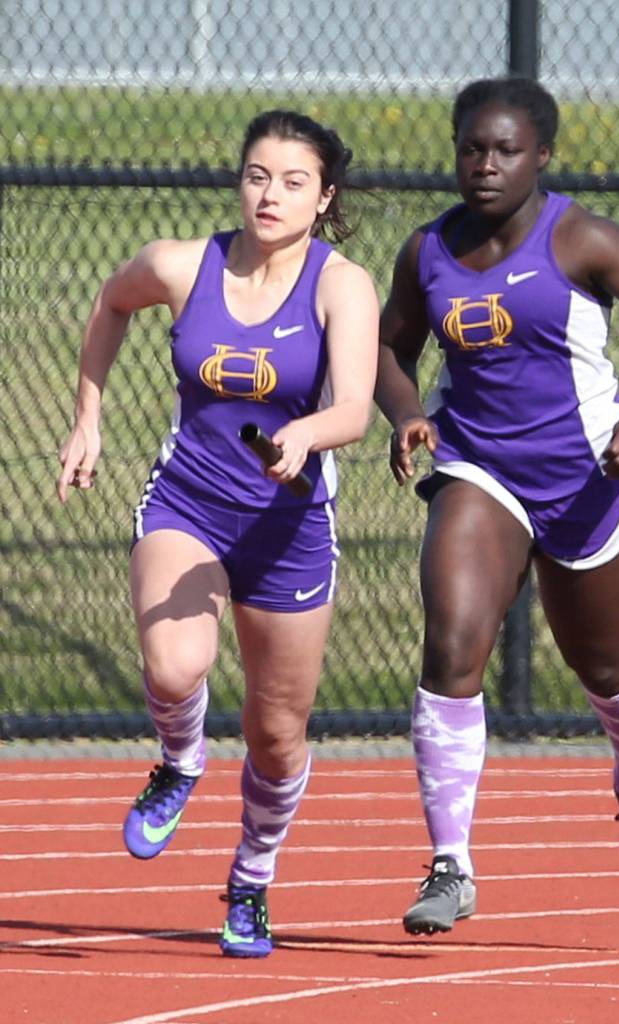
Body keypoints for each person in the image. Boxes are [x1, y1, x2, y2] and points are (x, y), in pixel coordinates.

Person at [375, 76, 619, 936]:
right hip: (477, 467)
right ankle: (450, 864)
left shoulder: (582, 238)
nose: (484, 166)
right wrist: (409, 413)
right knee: (451, 640)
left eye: (504, 151)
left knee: (597, 660)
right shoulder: (426, 251)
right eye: (470, 149)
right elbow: (389, 347)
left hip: (587, 475)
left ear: (541, 158)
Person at [56, 110, 379, 957]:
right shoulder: (180, 264)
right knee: (175, 664)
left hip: (289, 527)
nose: (271, 194)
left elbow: (352, 404)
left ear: (324, 196)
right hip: (188, 503)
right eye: (257, 175)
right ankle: (181, 758)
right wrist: (86, 420)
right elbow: (109, 304)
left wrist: (306, 435)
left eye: (293, 181)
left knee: (277, 734)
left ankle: (251, 880)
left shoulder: (339, 284)